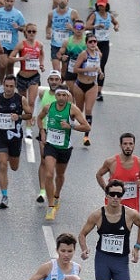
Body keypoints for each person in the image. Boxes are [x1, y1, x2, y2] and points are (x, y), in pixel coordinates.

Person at [37, 83, 90, 221]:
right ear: (55, 96)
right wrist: (42, 132)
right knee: (49, 174)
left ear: (68, 96)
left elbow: (86, 126)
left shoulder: (72, 110)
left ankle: (57, 196)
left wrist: (70, 125)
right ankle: (50, 207)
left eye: (64, 95)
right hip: (50, 145)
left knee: (59, 175)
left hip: (65, 147)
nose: (61, 98)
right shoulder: (49, 108)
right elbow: (39, 118)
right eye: (59, 95)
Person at [0, 72, 26, 209]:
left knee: (14, 167)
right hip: (0, 136)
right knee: (3, 164)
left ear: (15, 86)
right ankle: (4, 196)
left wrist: (19, 117)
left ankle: (14, 156)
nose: (9, 89)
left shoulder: (20, 99)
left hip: (15, 137)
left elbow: (28, 114)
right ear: (3, 86)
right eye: (6, 86)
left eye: (11, 86)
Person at [96, 130, 140, 211]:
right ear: (120, 145)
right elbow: (99, 175)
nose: (128, 146)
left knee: (128, 224)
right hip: (113, 204)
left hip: (131, 206)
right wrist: (107, 190)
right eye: (125, 144)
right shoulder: (111, 162)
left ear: (134, 145)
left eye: (131, 144)